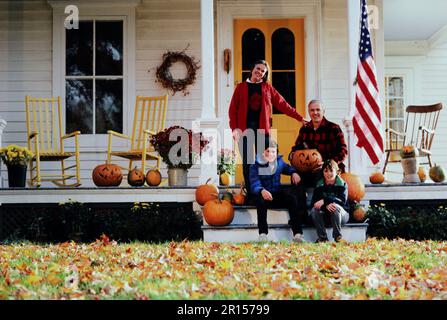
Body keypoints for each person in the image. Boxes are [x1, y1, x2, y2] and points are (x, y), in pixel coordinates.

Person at [229, 60, 305, 197]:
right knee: (248, 163)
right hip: (244, 130)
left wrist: (299, 117)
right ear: (252, 69)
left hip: (263, 131)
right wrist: (234, 129)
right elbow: (232, 110)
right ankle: (252, 193)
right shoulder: (240, 87)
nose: (259, 72)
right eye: (258, 69)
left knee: (266, 161)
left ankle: (268, 191)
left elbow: (283, 104)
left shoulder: (267, 88)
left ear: (265, 74)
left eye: (263, 71)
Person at [249, 138, 307, 243]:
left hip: (276, 194)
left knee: (291, 198)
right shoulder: (255, 166)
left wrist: (294, 172)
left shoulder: (279, 162)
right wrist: (261, 190)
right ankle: (263, 234)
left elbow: (288, 168)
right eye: (268, 151)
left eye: (273, 151)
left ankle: (297, 234)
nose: (271, 154)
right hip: (263, 195)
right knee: (260, 201)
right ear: (263, 152)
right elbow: (254, 183)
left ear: (276, 153)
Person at [289, 99, 348, 188]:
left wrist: (328, 164)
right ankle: (301, 202)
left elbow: (343, 151)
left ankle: (321, 201)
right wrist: (292, 157)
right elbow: (297, 148)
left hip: (329, 169)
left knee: (321, 176)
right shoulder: (305, 129)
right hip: (308, 169)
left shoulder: (334, 128)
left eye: (318, 110)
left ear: (323, 111)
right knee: (295, 178)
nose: (315, 112)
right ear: (309, 112)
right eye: (312, 110)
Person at [310, 159, 349, 243]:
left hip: (342, 214)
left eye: (331, 171)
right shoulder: (319, 185)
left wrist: (325, 200)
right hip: (326, 215)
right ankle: (323, 238)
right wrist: (325, 205)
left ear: (337, 171)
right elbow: (314, 203)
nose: (328, 174)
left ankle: (338, 237)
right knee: (314, 210)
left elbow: (342, 201)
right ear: (322, 173)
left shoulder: (342, 185)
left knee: (335, 207)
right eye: (326, 171)